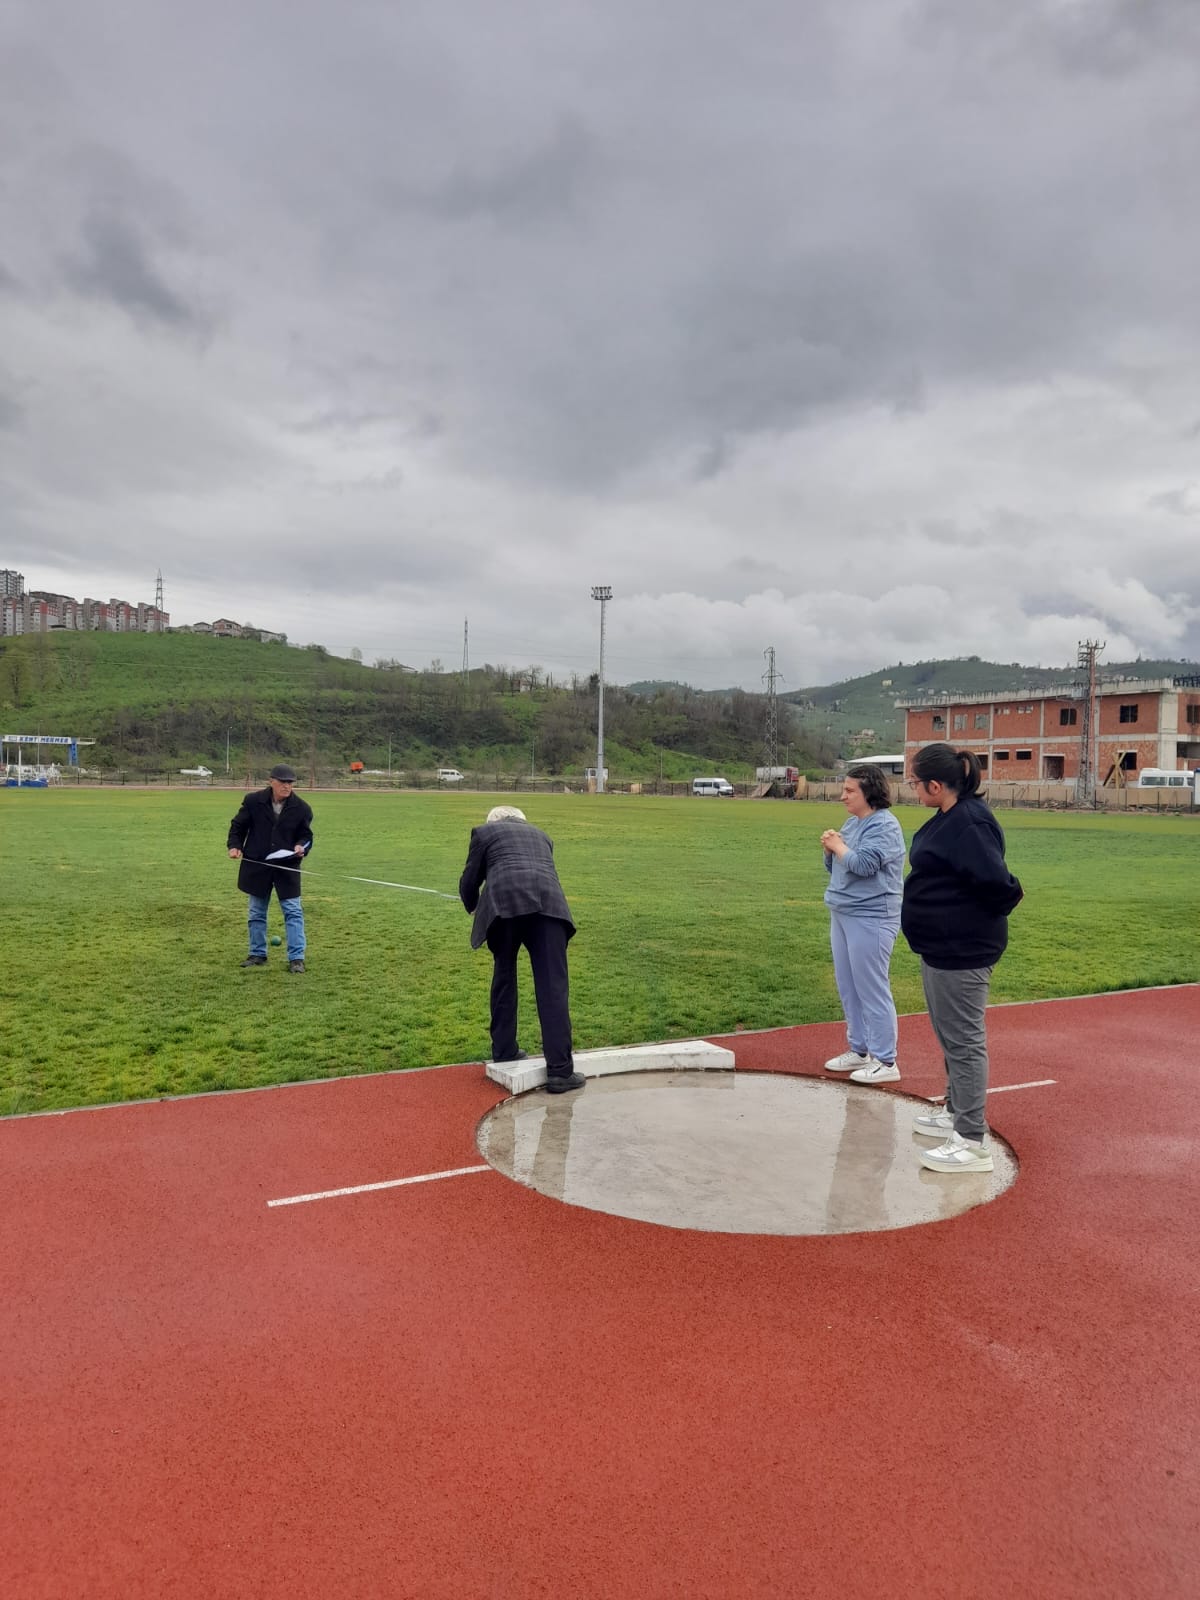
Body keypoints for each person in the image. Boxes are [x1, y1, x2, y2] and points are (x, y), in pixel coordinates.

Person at [901, 744, 1023, 1174]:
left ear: (936, 785)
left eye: (915, 783)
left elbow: (997, 883)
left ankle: (971, 1141)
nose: (913, 789)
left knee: (964, 1041)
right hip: (939, 946)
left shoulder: (969, 822)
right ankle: (955, 1111)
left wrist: (1005, 897)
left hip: (963, 949)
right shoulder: (947, 816)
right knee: (949, 1035)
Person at [458, 806, 584, 1094]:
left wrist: (472, 905)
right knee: (553, 988)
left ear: (494, 821)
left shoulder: (483, 833)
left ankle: (504, 1051)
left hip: (504, 910)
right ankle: (560, 1072)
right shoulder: (543, 836)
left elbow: (469, 881)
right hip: (549, 907)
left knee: (504, 977)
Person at [820, 763, 906, 1085]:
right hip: (843, 911)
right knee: (849, 986)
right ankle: (859, 1049)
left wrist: (838, 846)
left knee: (871, 987)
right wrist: (829, 850)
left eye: (849, 790)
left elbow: (865, 865)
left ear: (869, 792)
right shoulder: (852, 823)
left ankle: (886, 1060)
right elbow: (839, 868)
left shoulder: (884, 825)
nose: (843, 796)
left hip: (872, 916)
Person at [227, 763, 314, 972]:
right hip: (258, 866)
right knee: (256, 912)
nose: (287, 786)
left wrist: (301, 846)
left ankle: (296, 959)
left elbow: (306, 836)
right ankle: (257, 954)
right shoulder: (253, 801)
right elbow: (238, 826)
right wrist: (234, 846)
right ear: (271, 781)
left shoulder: (302, 808)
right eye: (283, 782)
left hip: (287, 868)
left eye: (290, 782)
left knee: (293, 912)